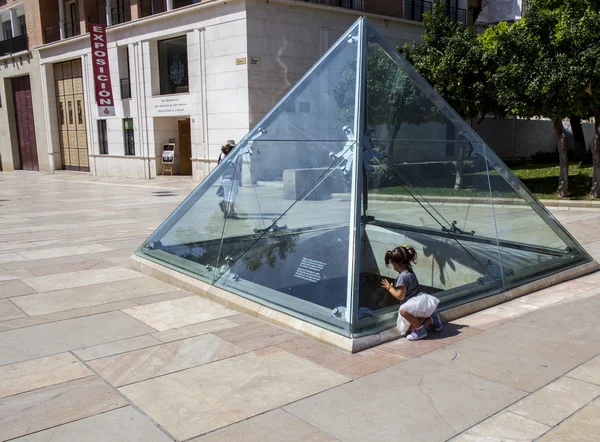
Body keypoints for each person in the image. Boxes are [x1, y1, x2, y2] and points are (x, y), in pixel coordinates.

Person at [380, 245, 443, 341]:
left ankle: (420, 330)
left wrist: (389, 288)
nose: (392, 265)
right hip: (419, 301)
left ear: (397, 264)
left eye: (392, 263)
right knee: (410, 328)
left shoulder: (402, 277)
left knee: (403, 311)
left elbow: (400, 296)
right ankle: (432, 319)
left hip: (414, 303)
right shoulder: (409, 271)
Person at [218, 140, 242, 219]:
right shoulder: (236, 155)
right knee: (232, 195)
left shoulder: (222, 155)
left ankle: (226, 213)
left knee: (226, 195)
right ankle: (231, 212)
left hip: (225, 178)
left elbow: (219, 167)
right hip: (233, 178)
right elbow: (238, 168)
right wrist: (240, 180)